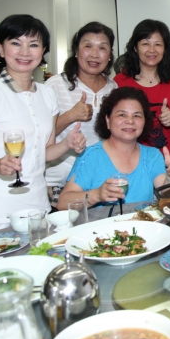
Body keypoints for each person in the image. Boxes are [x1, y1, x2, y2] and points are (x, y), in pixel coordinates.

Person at [0, 15, 87, 240]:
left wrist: (67, 144)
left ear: (43, 50)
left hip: (36, 207)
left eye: (34, 45)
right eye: (16, 43)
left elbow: (43, 154)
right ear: (1, 48)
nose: (25, 52)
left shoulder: (47, 94)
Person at [57, 87, 170, 209]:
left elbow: (165, 194)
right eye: (122, 115)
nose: (130, 121)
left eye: (137, 116)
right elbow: (62, 203)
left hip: (143, 225)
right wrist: (97, 195)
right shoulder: (91, 156)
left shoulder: (152, 155)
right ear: (108, 121)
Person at [45, 22, 118, 204]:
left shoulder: (113, 88)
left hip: (99, 180)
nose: (94, 54)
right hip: (60, 181)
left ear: (109, 55)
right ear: (76, 51)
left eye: (102, 48)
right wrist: (71, 115)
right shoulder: (55, 85)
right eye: (88, 46)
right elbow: (40, 138)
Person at [115, 20, 170, 159]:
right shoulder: (120, 82)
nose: (152, 50)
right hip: (131, 160)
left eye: (158, 44)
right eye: (145, 44)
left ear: (165, 49)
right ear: (135, 47)